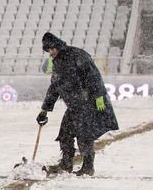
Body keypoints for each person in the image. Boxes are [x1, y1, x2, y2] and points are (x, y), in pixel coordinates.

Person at [37, 33, 118, 176]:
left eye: (51, 49)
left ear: (57, 45)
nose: (50, 53)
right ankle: (66, 164)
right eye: (48, 50)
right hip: (74, 105)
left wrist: (99, 96)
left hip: (88, 102)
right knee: (65, 134)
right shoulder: (57, 62)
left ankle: (88, 167)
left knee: (84, 135)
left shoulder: (77, 55)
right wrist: (45, 109)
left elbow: (93, 76)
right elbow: (55, 86)